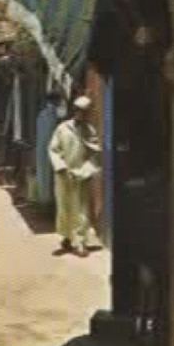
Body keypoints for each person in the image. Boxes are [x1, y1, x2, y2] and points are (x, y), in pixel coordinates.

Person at [48, 95, 101, 256]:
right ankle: (66, 237)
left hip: (81, 175)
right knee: (64, 207)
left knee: (82, 210)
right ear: (75, 111)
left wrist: (86, 170)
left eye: (85, 111)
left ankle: (81, 243)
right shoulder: (62, 129)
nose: (82, 114)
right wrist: (62, 167)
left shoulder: (90, 131)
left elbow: (95, 153)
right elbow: (53, 149)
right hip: (64, 175)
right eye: (79, 110)